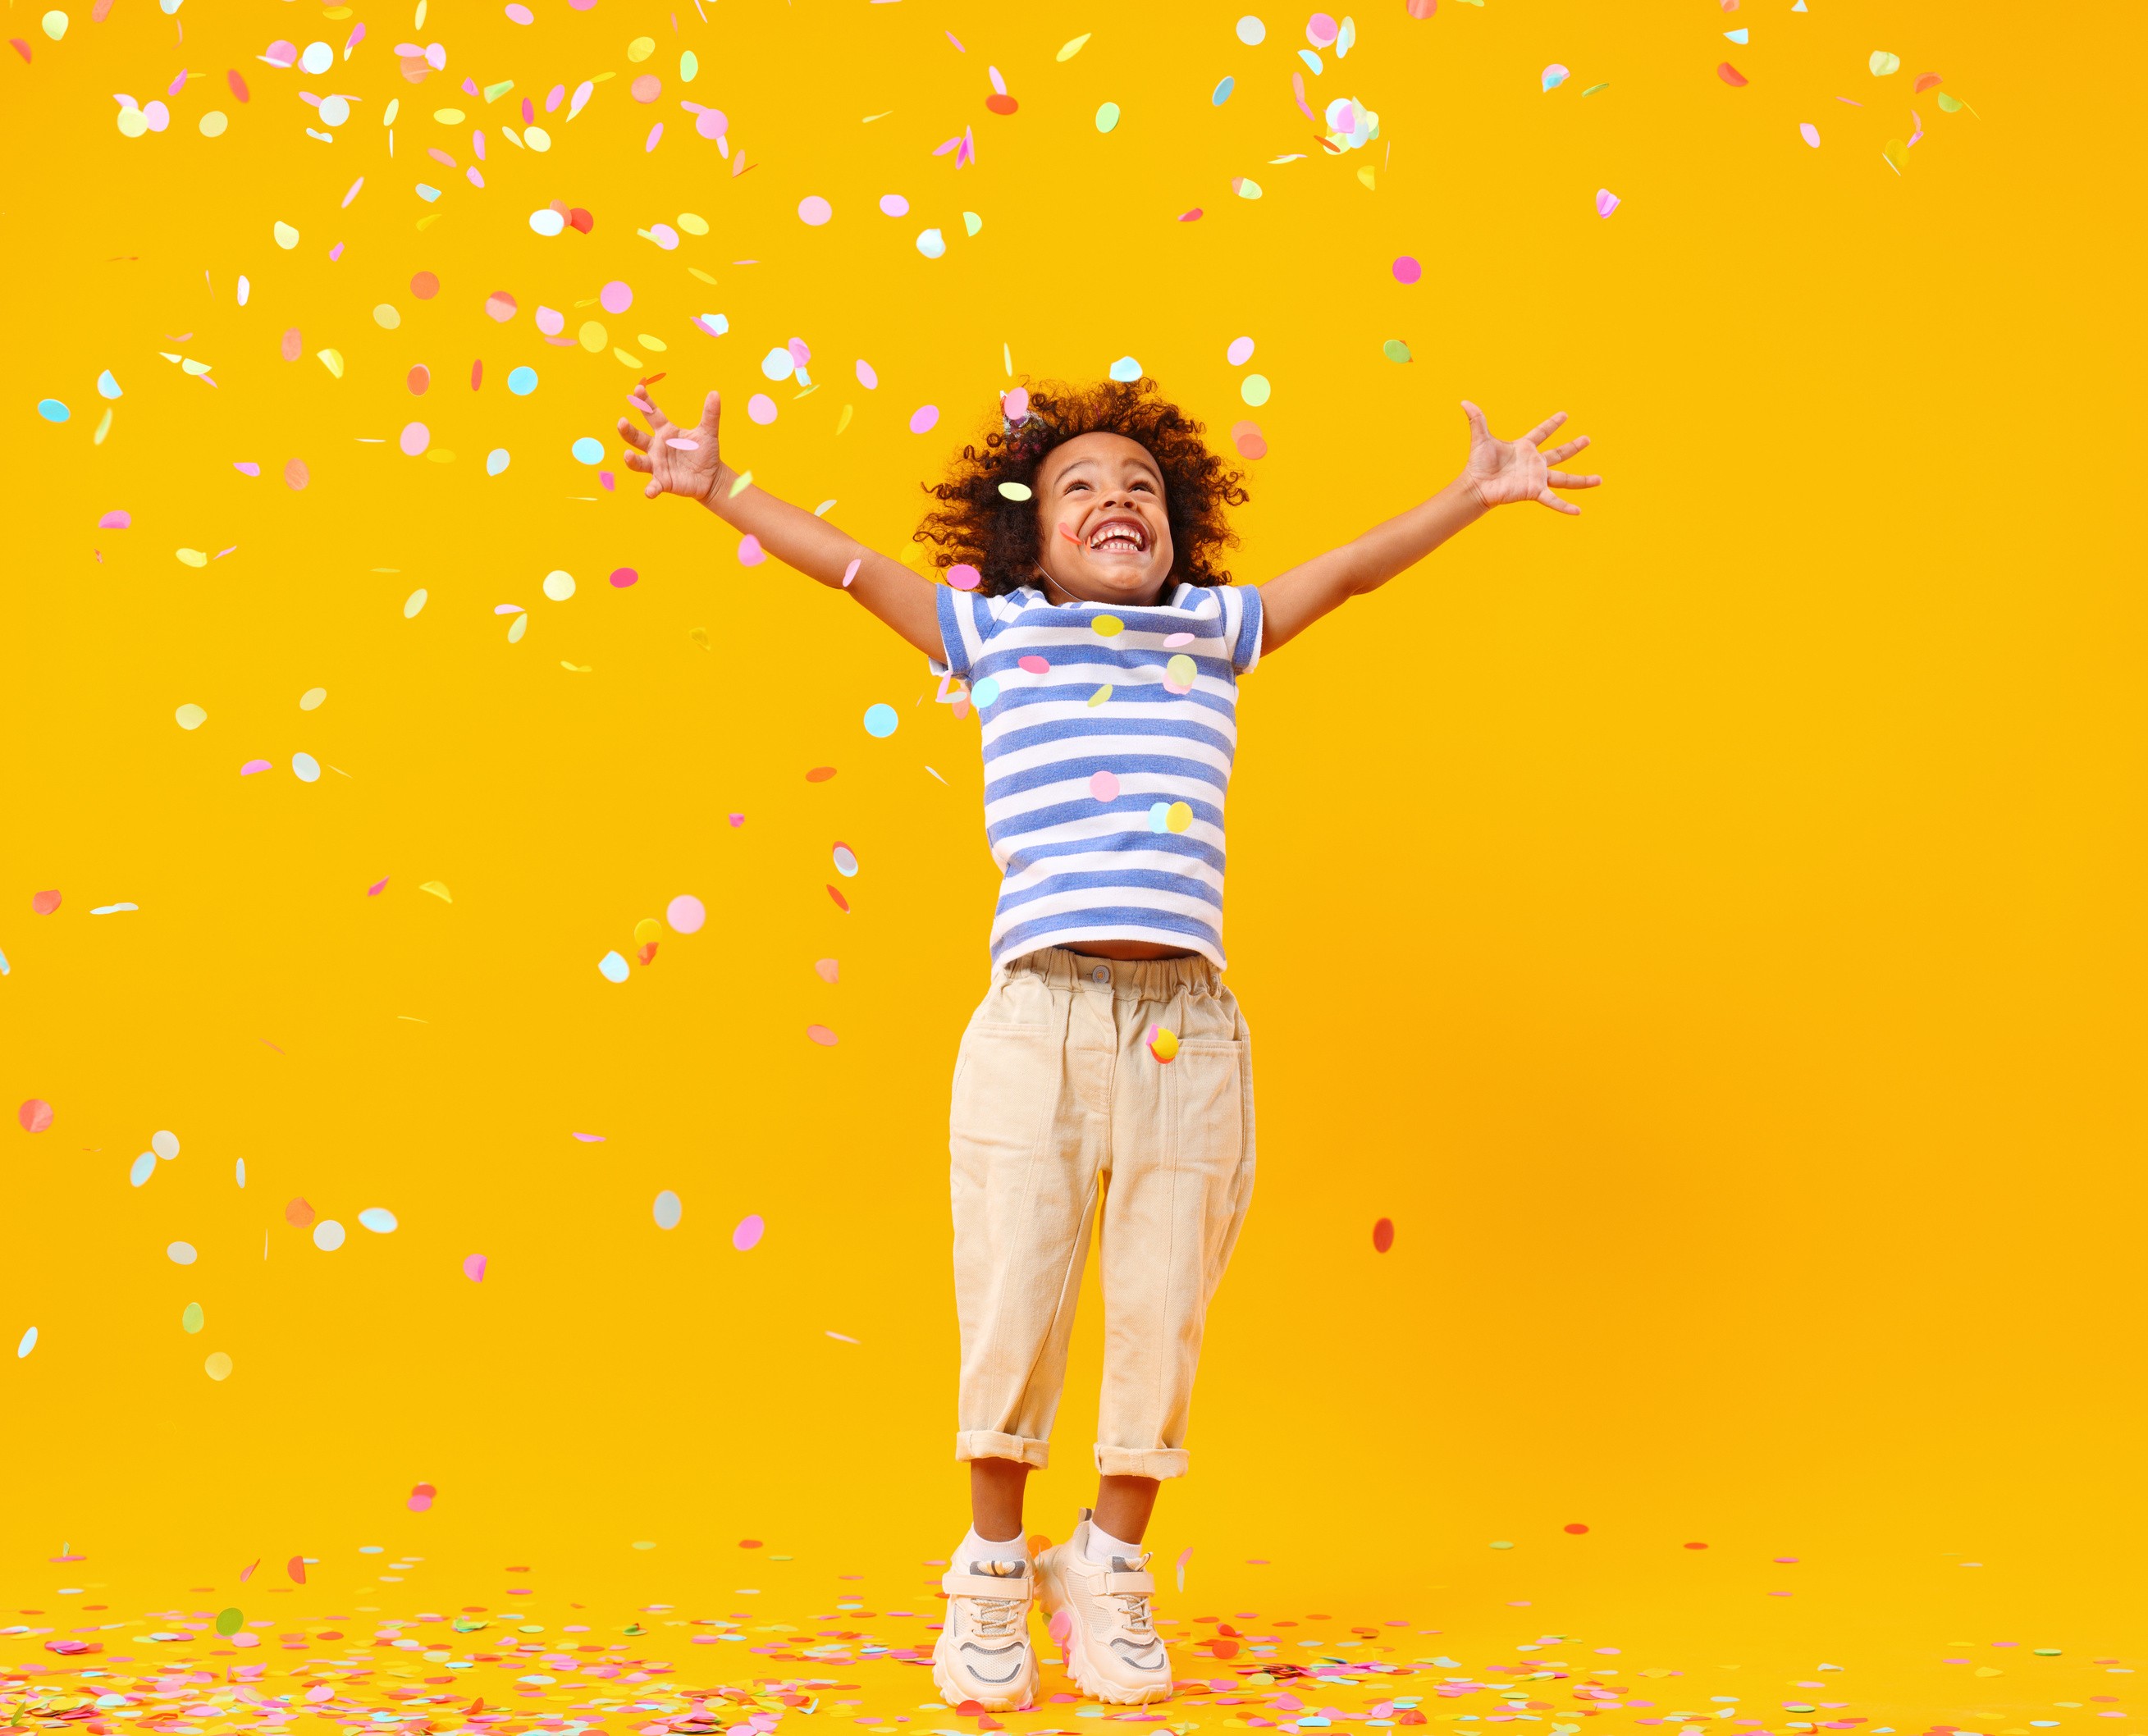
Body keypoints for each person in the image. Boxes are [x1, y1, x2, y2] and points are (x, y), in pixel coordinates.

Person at [618, 377, 1599, 1711]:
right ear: (1027, 539)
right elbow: (850, 574)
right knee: (1013, 1292)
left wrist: (1471, 497)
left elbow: (1354, 575)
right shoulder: (991, 633)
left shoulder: (1212, 630)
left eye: (1140, 487)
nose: (1115, 501)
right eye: (1079, 487)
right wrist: (717, 484)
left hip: (1187, 1032)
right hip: (1038, 1016)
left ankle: (1111, 1567)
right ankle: (989, 1568)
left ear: (1177, 526)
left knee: (1160, 1307)